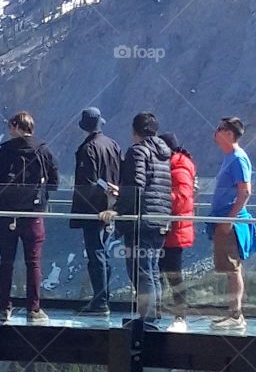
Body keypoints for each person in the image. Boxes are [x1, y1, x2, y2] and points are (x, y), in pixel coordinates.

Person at [103, 112, 171, 330]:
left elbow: (136, 186)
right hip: (161, 217)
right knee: (152, 269)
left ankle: (146, 321)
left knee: (141, 271)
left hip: (141, 219)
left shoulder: (137, 151)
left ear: (135, 131)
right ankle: (153, 317)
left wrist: (117, 209)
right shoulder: (163, 154)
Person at [0, 111, 59, 323]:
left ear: (16, 127)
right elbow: (55, 182)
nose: (9, 130)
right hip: (33, 215)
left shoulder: (6, 150)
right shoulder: (43, 149)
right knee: (34, 262)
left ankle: (4, 308)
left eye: (10, 126)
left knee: (6, 262)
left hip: (7, 214)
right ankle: (33, 308)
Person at [207, 116, 256, 331]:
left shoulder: (238, 159)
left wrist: (229, 220)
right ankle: (233, 312)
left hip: (232, 221)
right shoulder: (230, 158)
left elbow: (245, 191)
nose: (216, 132)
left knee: (233, 268)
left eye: (220, 129)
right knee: (230, 268)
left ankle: (236, 314)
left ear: (229, 134)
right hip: (226, 219)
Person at [69, 107, 122, 317]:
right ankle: (104, 298)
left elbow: (89, 180)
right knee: (103, 252)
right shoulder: (113, 144)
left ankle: (100, 301)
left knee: (95, 253)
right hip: (111, 207)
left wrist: (100, 191)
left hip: (93, 209)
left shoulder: (88, 148)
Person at [158, 132, 197, 332]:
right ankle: (159, 311)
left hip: (175, 228)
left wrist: (158, 197)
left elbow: (182, 197)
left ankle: (180, 315)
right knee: (162, 272)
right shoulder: (177, 164)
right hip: (171, 227)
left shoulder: (179, 166)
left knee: (173, 274)